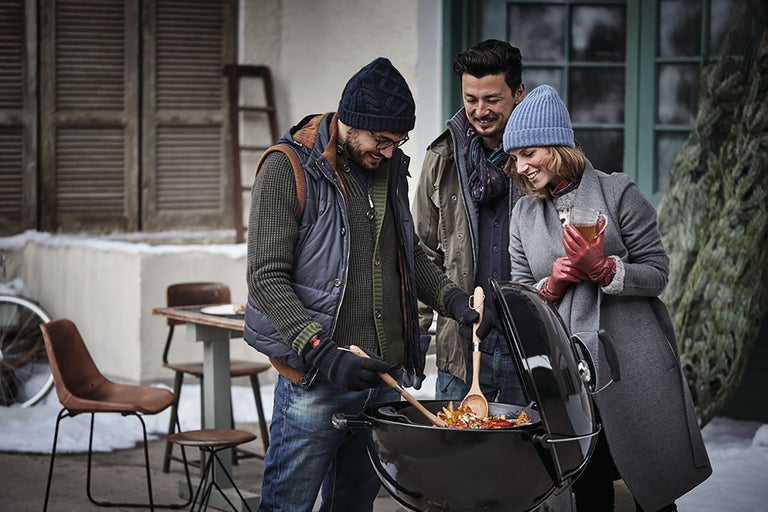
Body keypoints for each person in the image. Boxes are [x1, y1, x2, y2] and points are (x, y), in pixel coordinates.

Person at [243, 57, 492, 512]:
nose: (390, 152)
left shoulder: (388, 170)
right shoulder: (286, 170)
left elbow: (409, 253)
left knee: (354, 505)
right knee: (287, 507)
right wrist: (319, 349)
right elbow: (265, 279)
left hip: (381, 382)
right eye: (381, 140)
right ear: (350, 121)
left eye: (398, 142)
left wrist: (452, 298)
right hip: (316, 380)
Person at [502, 84, 712, 511]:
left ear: (559, 146)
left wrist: (605, 269)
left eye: (530, 153)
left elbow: (658, 273)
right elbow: (521, 296)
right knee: (587, 484)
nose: (521, 167)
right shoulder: (523, 214)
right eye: (515, 158)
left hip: (633, 367)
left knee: (651, 487)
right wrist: (553, 285)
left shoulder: (619, 193)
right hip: (568, 375)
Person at [412, 39, 526, 405]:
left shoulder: (544, 161)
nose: (480, 110)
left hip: (529, 354)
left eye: (492, 99)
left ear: (518, 93)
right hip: (458, 357)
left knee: (524, 462)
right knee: (456, 462)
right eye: (471, 99)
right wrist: (416, 340)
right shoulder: (440, 158)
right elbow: (421, 256)